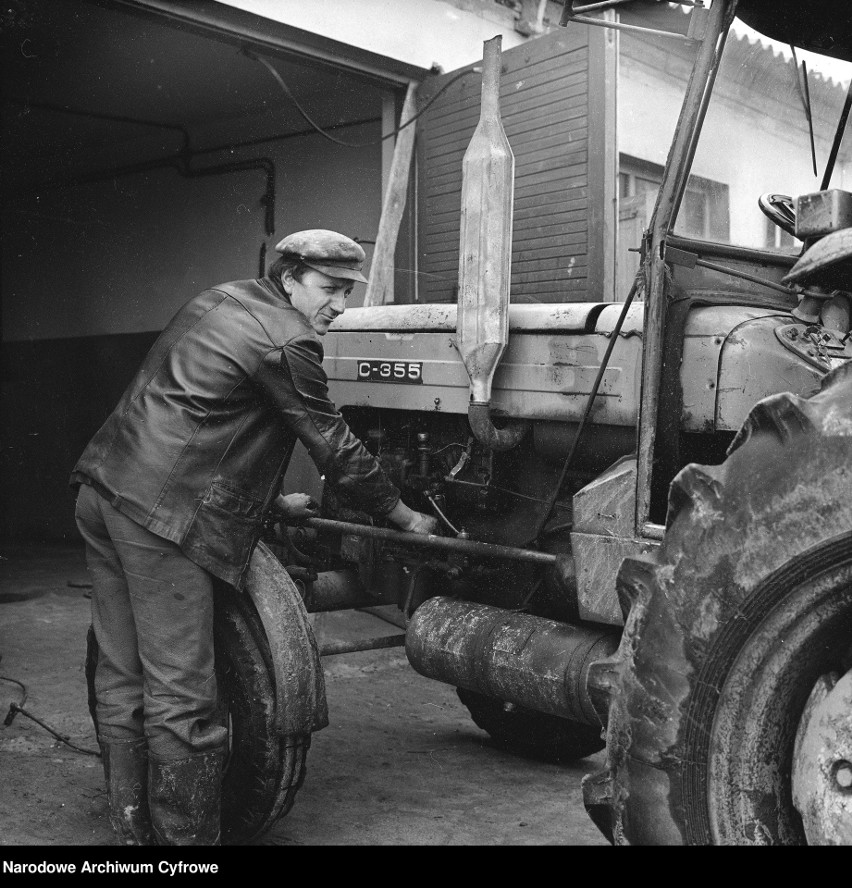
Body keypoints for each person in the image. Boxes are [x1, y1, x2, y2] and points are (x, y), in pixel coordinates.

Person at [71, 229, 437, 846]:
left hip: (105, 490)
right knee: (183, 692)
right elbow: (337, 448)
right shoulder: (289, 340)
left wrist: (268, 500)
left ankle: (130, 835)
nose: (339, 305)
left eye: (348, 291)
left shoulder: (220, 299)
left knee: (121, 670)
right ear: (290, 276)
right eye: (330, 289)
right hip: (161, 519)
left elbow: (201, 414)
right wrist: (405, 518)